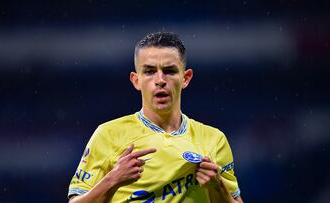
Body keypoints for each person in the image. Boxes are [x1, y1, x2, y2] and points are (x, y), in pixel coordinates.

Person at [68, 32, 243, 203]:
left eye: (169, 71)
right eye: (150, 71)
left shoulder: (214, 140)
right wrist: (112, 180)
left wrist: (218, 187)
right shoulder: (108, 134)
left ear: (186, 78)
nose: (160, 80)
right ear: (136, 80)